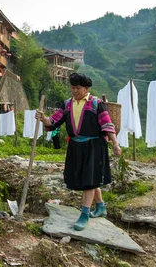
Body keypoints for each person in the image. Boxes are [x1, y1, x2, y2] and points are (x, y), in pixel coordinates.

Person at [36, 73, 121, 231]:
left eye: (78, 88)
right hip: (75, 146)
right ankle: (101, 206)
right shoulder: (68, 104)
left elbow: (107, 125)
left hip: (93, 146)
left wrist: (115, 143)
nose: (74, 91)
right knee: (89, 177)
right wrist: (44, 119)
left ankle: (85, 214)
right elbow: (54, 120)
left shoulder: (96, 104)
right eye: (72, 88)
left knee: (88, 180)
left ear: (86, 88)